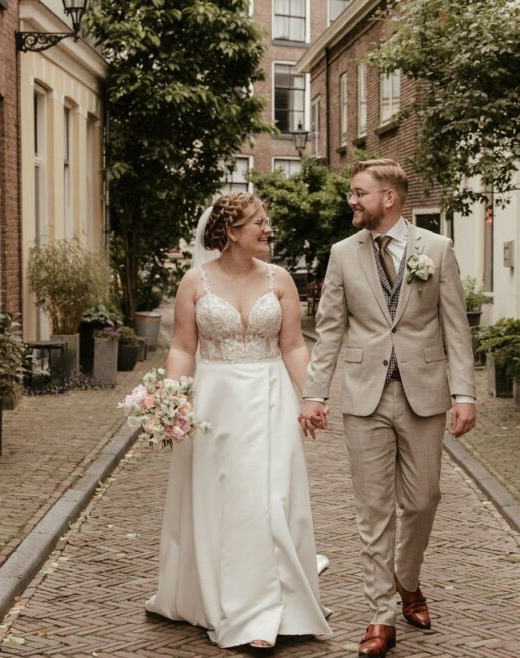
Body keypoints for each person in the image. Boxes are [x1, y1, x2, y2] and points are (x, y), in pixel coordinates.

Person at [299, 159, 477, 657]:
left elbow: (456, 327)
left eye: (359, 192)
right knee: (373, 509)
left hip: (424, 394)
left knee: (423, 499)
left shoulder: (437, 249)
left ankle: (407, 578)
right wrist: (315, 393)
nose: (352, 200)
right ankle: (381, 615)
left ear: (388, 198)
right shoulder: (342, 254)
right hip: (364, 396)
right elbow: (329, 330)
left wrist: (465, 394)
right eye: (352, 193)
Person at [145, 192, 332, 650]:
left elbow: (293, 345)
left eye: (267, 221)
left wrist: (312, 397)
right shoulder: (195, 282)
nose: (269, 229)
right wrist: (171, 401)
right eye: (259, 223)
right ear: (231, 232)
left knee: (271, 499)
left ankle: (271, 606)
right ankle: (236, 605)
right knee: (226, 503)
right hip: (216, 405)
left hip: (272, 400)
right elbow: (183, 348)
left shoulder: (280, 279)